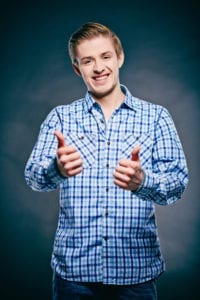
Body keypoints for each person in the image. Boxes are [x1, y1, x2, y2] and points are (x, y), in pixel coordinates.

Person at [25, 22, 188, 300]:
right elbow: (33, 177)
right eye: (87, 61)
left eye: (105, 56)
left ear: (119, 57)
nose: (98, 67)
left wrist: (143, 182)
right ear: (77, 68)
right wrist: (56, 169)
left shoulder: (157, 117)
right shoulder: (61, 118)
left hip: (136, 275)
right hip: (74, 276)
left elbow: (177, 183)